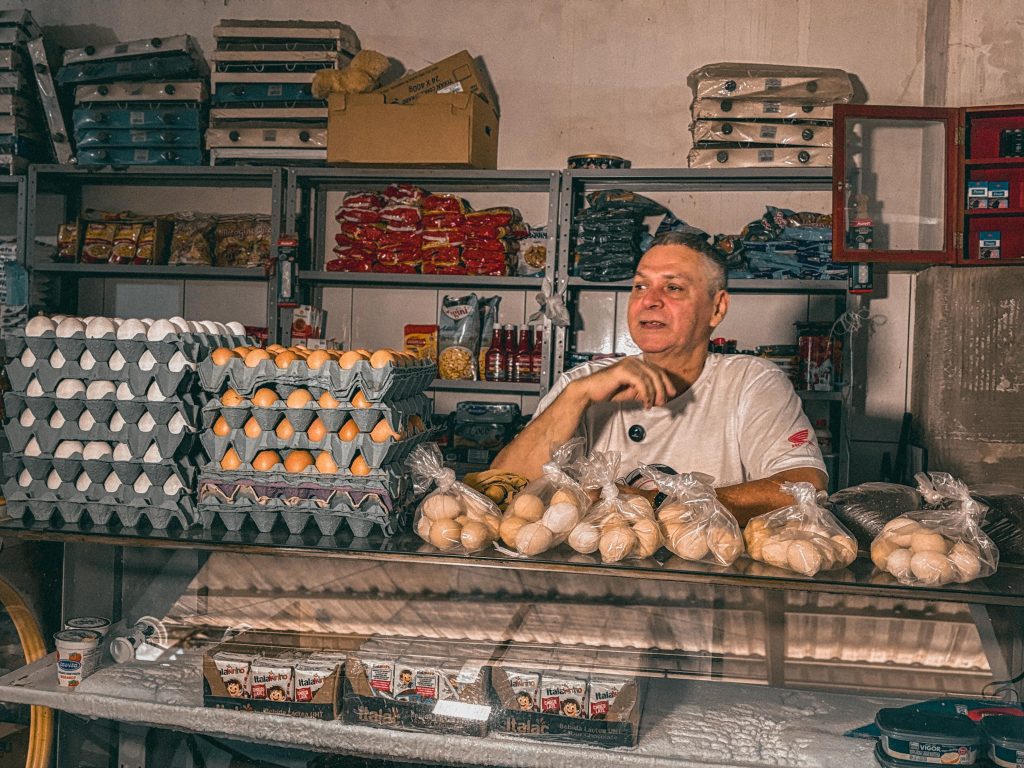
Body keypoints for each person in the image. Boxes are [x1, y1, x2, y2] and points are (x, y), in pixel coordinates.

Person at [491, 230, 827, 524]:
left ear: (717, 308)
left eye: (674, 288)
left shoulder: (749, 382)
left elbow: (804, 483)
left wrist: (657, 504)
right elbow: (501, 488)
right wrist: (575, 397)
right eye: (640, 286)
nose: (649, 300)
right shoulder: (583, 383)